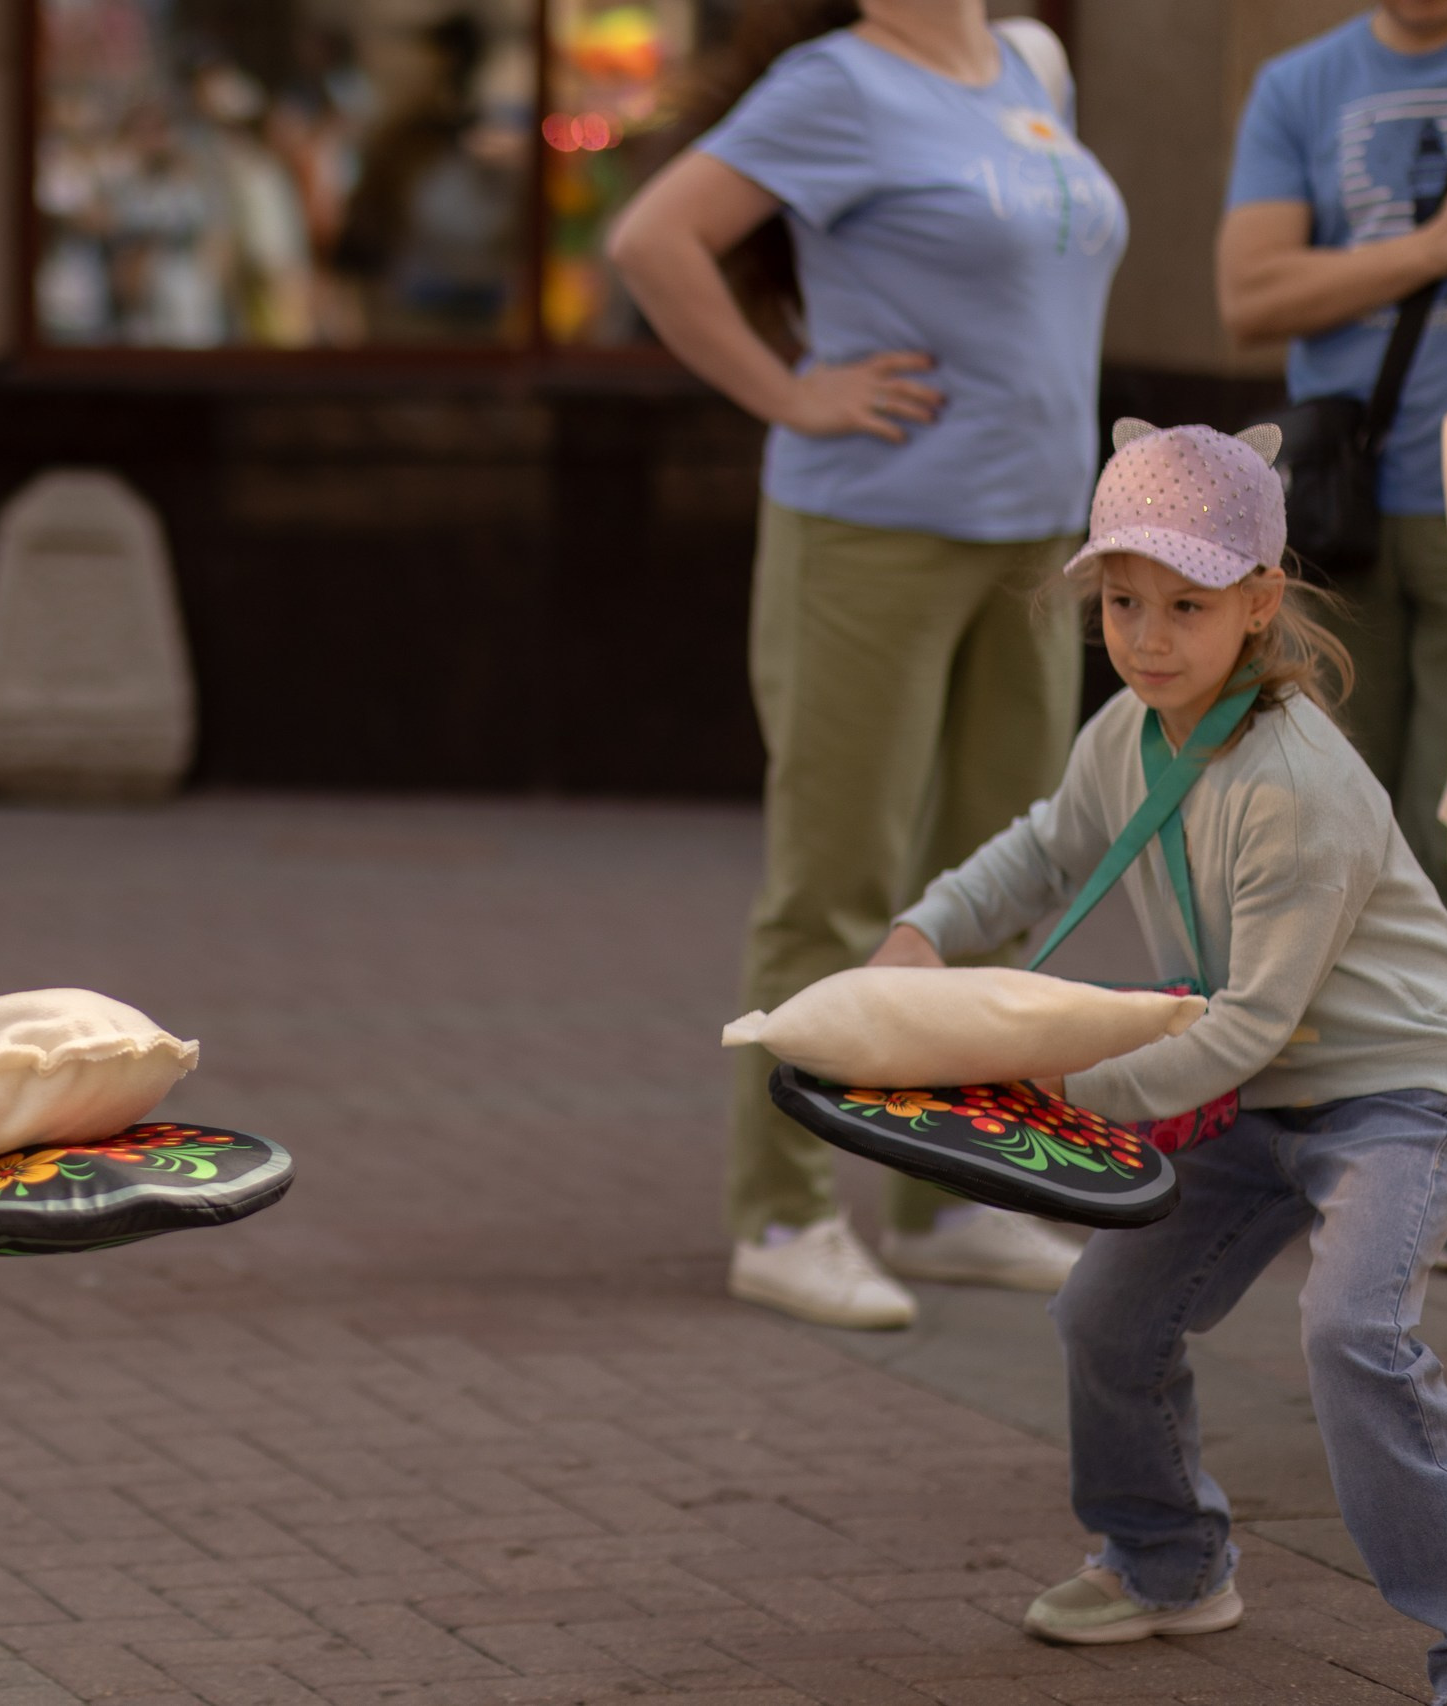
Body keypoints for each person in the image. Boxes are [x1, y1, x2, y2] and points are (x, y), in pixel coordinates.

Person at [875, 421, 1447, 1698]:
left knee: (1351, 1332)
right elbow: (1043, 850)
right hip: (1247, 1085)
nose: (1146, 635)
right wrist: (923, 932)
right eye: (1120, 599)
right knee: (1104, 1311)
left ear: (1260, 602)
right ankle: (1165, 1564)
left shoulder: (1296, 784)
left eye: (1186, 603)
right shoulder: (1126, 733)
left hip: (1395, 1090)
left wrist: (1054, 1090)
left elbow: (1252, 1021)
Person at [607, 0, 1125, 1328]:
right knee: (835, 882)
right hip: (872, 532)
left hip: (1034, 537)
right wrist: (790, 392)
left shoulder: (1033, 65)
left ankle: (947, 1197)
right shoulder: (834, 85)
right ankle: (780, 1214)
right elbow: (651, 240)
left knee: (1000, 878)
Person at [1220, 0, 1447, 906]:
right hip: (1345, 514)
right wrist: (1437, 247)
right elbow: (1249, 294)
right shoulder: (1299, 84)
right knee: (1332, 818)